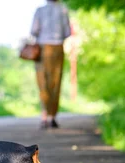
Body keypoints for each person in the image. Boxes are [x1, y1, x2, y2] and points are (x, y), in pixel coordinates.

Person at [31, 0, 71, 129]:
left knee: (43, 81)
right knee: (56, 81)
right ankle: (52, 116)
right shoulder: (63, 10)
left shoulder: (40, 10)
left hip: (43, 47)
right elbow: (67, 32)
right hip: (58, 47)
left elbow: (34, 30)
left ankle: (44, 115)